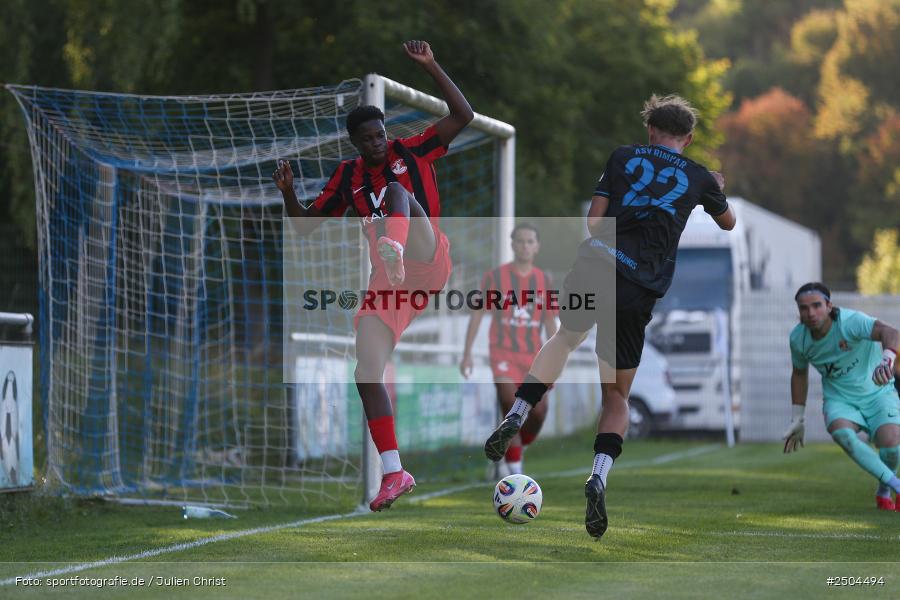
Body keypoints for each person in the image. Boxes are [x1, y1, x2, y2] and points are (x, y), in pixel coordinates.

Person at [482, 94, 736, 539]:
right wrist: (712, 188)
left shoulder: (622, 156)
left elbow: (595, 222)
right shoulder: (698, 176)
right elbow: (728, 223)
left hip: (594, 266)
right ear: (689, 138)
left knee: (564, 338)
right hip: (638, 288)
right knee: (616, 394)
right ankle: (598, 474)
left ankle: (518, 412)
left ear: (650, 130)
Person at [274, 40, 473, 512]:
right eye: (367, 139)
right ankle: (394, 471)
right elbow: (305, 225)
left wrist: (431, 65)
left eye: (380, 135)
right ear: (356, 143)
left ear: (387, 132)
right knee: (366, 368)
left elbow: (463, 115)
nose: (376, 143)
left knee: (399, 194)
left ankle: (395, 246)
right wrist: (288, 193)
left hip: (426, 257)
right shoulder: (348, 178)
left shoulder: (413, 150)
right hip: (391, 280)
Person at [783, 282, 900, 510]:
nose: (810, 313)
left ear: (829, 306)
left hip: (878, 392)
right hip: (840, 399)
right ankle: (896, 484)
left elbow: (891, 332)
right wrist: (797, 417)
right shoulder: (798, 339)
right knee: (842, 434)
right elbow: (799, 373)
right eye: (804, 308)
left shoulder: (850, 322)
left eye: (816, 305)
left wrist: (887, 360)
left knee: (892, 446)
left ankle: (884, 489)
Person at [459, 223, 558, 476]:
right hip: (503, 353)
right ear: (512, 245)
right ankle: (516, 476)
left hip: (535, 358)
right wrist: (467, 353)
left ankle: (515, 445)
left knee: (539, 412)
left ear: (537, 247)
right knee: (510, 403)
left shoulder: (544, 280)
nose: (524, 246)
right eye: (520, 241)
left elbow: (550, 322)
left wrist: (556, 360)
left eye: (530, 241)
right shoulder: (494, 278)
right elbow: (477, 314)